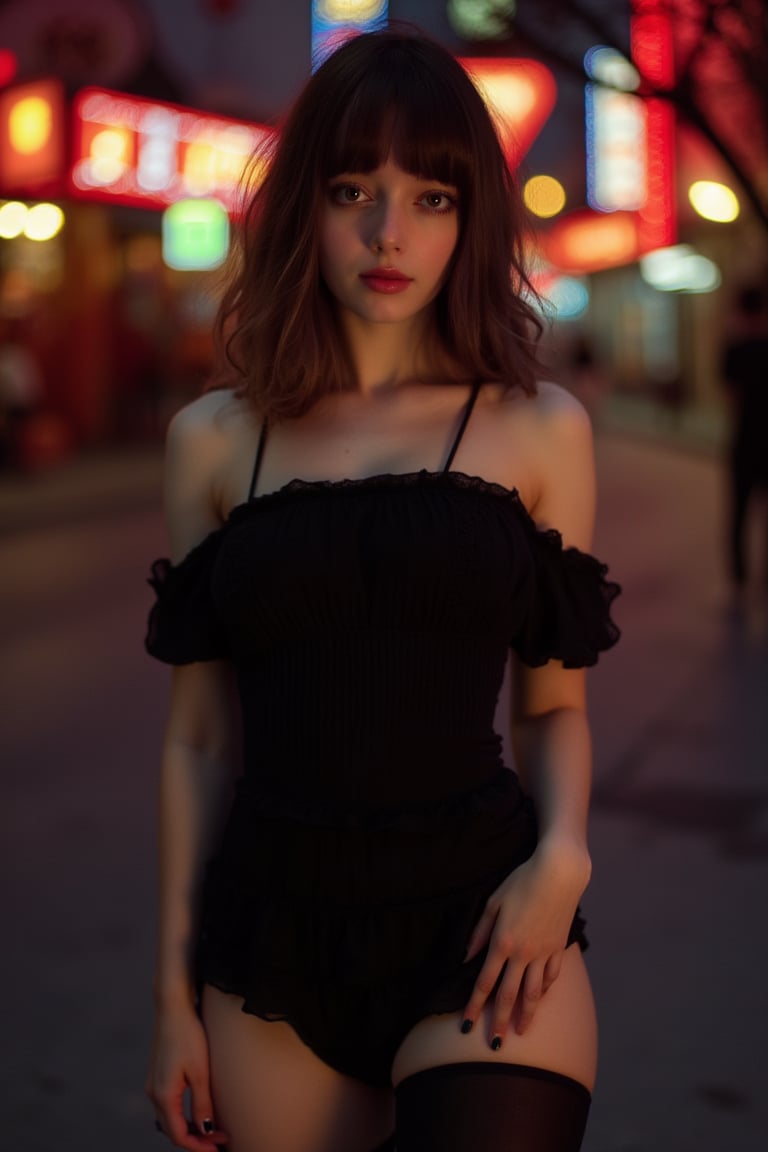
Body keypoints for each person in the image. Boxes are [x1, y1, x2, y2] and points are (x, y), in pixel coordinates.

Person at [144, 27, 620, 1152]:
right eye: (354, 188)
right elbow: (200, 740)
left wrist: (563, 855)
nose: (388, 233)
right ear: (304, 203)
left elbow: (552, 709)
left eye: (433, 198)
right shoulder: (214, 443)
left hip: (480, 919)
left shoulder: (538, 429)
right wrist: (168, 1000)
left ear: (474, 221)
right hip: (272, 934)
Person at [721, 284, 768, 589]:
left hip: (743, 442)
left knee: (738, 515)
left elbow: (731, 398)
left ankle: (739, 579)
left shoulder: (733, 350)